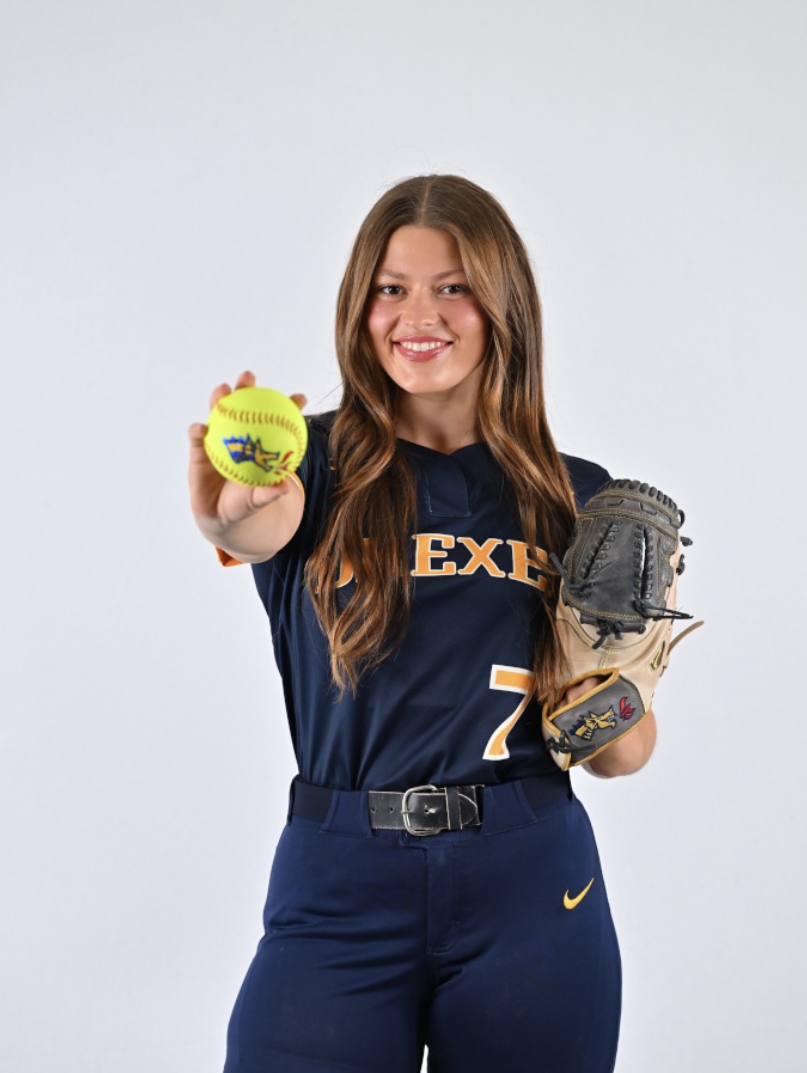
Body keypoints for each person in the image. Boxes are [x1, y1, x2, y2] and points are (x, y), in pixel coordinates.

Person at [188, 175, 657, 1073]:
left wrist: (611, 699)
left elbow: (620, 754)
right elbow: (250, 527)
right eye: (390, 287)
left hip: (530, 879)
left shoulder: (577, 496)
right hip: (340, 878)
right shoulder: (307, 464)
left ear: (502, 304)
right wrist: (225, 514)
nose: (418, 314)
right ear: (358, 304)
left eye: (453, 287)